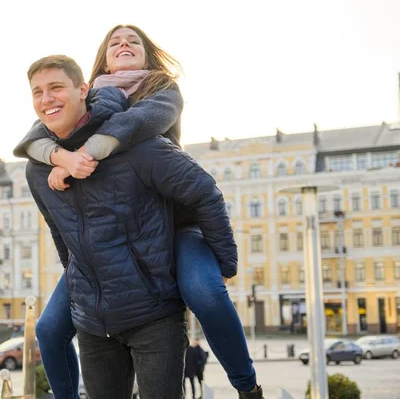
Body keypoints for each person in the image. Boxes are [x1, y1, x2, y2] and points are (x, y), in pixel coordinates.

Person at [14, 25, 263, 399]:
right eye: (115, 42)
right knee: (49, 328)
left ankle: (247, 387)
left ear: (147, 53)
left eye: (133, 41)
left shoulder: (159, 90)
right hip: (109, 240)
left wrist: (225, 262)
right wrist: (59, 155)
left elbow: (134, 127)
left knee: (207, 293)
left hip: (174, 221)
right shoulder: (90, 95)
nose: (124, 45)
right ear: (100, 61)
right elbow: (36, 136)